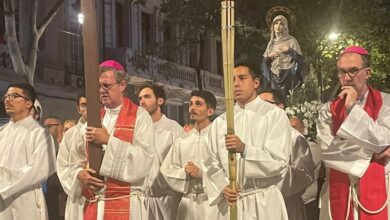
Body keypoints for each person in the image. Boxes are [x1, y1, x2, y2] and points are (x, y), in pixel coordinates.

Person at [60, 60, 155, 220]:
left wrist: (108, 141)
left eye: (107, 86)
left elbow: (144, 159)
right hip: (93, 206)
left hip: (126, 203)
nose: (102, 91)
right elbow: (74, 160)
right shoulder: (92, 119)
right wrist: (79, 174)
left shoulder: (140, 116)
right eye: (99, 86)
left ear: (122, 85)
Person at [203, 64, 292, 220]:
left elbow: (279, 161)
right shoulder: (221, 121)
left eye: (242, 78)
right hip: (231, 202)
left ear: (256, 83)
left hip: (263, 202)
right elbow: (209, 161)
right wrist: (223, 186)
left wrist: (245, 149)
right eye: (232, 80)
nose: (236, 83)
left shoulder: (274, 115)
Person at [317, 46, 390, 220]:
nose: (347, 78)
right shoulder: (327, 110)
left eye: (353, 71)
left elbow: (383, 139)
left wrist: (352, 108)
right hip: (340, 185)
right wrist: (374, 153)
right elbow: (328, 151)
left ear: (368, 72)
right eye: (342, 72)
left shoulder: (386, 103)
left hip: (380, 187)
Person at [161, 90, 221, 220]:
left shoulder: (219, 139)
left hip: (212, 202)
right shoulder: (182, 140)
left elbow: (228, 170)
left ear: (210, 111)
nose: (192, 108)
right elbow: (167, 169)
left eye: (198, 104)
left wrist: (202, 173)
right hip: (187, 203)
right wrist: (184, 173)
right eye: (190, 104)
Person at [0, 83, 57, 220]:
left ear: (28, 103)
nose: (8, 99)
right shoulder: (1, 132)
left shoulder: (40, 133)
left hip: (26, 198)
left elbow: (40, 169)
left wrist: (4, 189)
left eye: (14, 96)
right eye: (6, 96)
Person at [259, 88, 315, 220]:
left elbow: (304, 174)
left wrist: (271, 182)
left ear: (280, 107)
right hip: (258, 205)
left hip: (285, 204)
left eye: (264, 104)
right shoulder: (253, 136)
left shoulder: (295, 137)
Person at [137, 83, 183, 220]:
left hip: (168, 200)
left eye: (147, 97)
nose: (142, 102)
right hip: (143, 199)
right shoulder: (137, 130)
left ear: (160, 101)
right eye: (140, 98)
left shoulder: (174, 129)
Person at [56, 94, 87, 220]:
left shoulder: (106, 128)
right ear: (78, 109)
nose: (87, 108)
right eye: (84, 105)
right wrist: (77, 177)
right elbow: (62, 165)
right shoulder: (70, 134)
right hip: (77, 193)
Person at [262, 15, 303, 97]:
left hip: (288, 75)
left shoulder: (292, 41)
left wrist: (289, 50)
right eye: (276, 23)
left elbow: (300, 60)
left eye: (281, 24)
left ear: (285, 26)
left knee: (288, 100)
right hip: (274, 76)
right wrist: (270, 56)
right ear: (272, 26)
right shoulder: (271, 43)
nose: (278, 26)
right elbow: (264, 63)